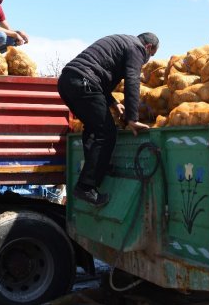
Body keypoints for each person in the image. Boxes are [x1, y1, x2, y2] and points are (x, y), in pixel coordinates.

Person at [57, 33, 160, 207]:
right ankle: (85, 186)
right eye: (150, 56)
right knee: (106, 133)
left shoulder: (122, 42)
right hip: (84, 82)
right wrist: (132, 118)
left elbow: (100, 76)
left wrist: (113, 103)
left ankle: (99, 168)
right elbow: (132, 80)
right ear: (148, 47)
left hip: (67, 81)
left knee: (93, 128)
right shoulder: (136, 48)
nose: (147, 60)